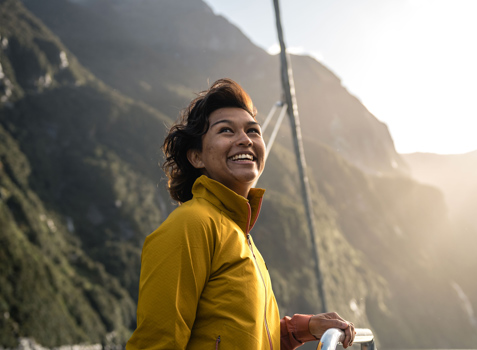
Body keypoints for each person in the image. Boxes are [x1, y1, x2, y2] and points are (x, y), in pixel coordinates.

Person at [126, 78, 355, 350]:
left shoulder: (241, 236)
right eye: (226, 131)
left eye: (253, 131)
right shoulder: (191, 225)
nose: (245, 140)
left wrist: (304, 328)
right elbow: (156, 343)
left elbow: (247, 336)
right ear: (196, 157)